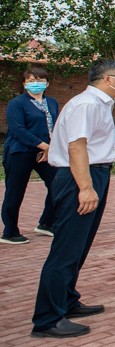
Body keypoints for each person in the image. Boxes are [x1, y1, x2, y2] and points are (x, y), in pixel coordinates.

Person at [31, 59, 115, 337]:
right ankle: (48, 319)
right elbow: (77, 147)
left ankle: (66, 299)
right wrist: (85, 188)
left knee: (79, 246)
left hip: (95, 173)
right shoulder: (86, 104)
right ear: (108, 79)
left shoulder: (101, 104)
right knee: (66, 249)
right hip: (80, 177)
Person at [2, 66, 60, 244]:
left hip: (45, 152)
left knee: (58, 185)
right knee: (15, 191)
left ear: (47, 83)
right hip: (20, 152)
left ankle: (46, 223)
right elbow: (18, 130)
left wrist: (49, 148)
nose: (36, 83)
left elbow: (56, 126)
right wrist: (45, 146)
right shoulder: (17, 103)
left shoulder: (52, 103)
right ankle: (10, 232)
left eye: (40, 80)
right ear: (24, 84)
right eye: (31, 80)